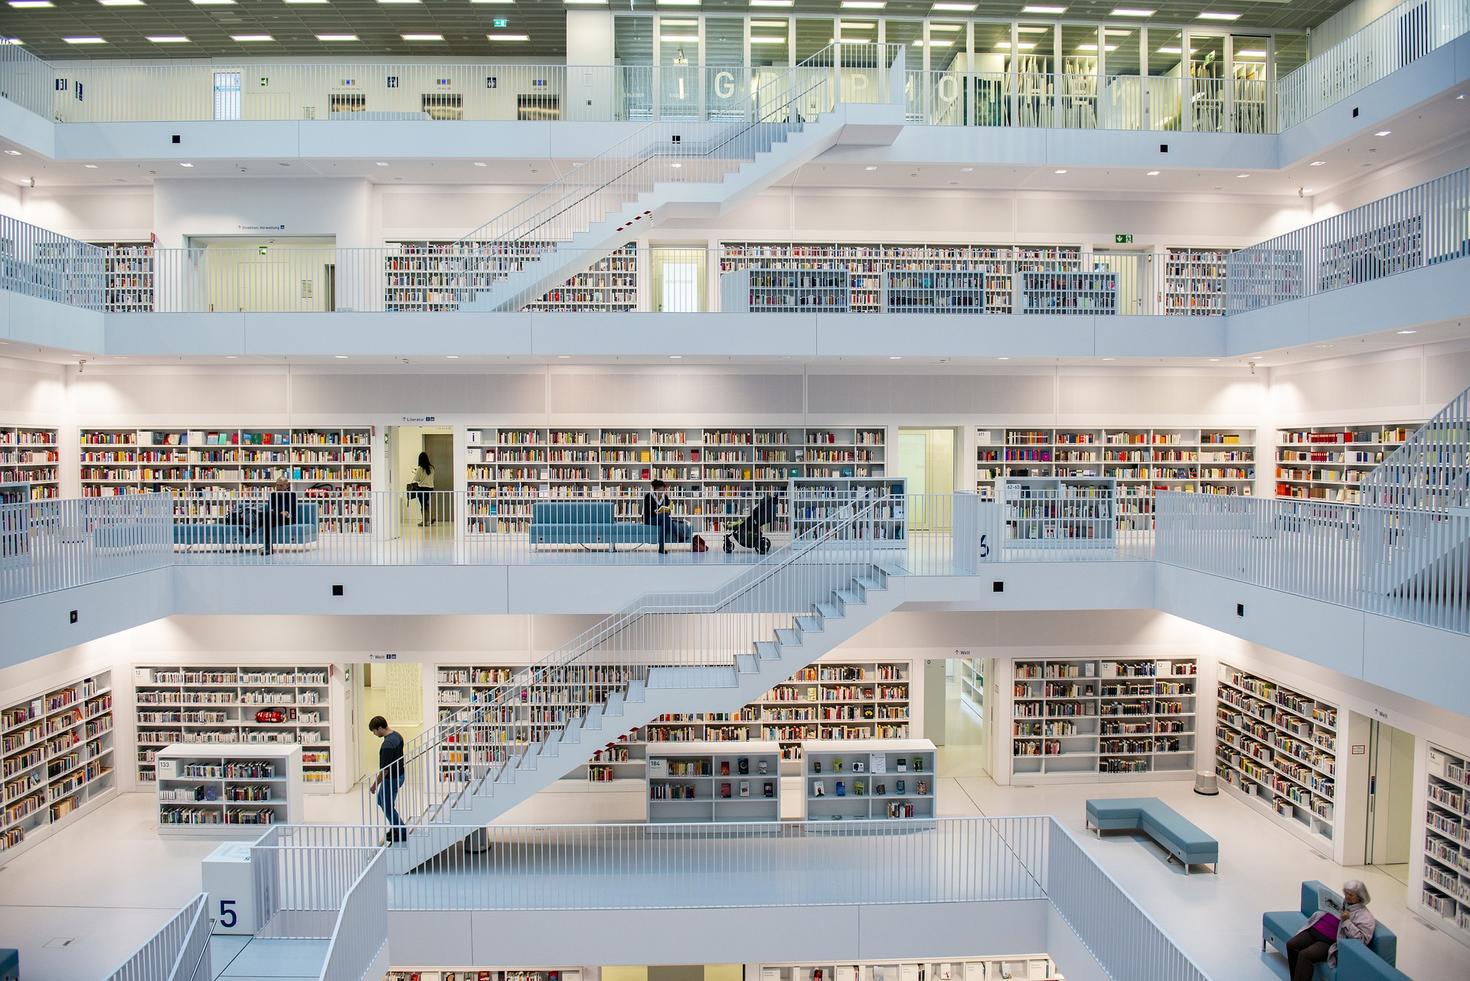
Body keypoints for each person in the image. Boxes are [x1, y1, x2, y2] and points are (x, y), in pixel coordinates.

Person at [1286, 880, 1376, 981]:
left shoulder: (1365, 917)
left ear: (1360, 897)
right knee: (1291, 944)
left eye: (1351, 895)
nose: (1346, 897)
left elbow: (1362, 940)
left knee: (1305, 955)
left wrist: (1347, 921)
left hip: (1328, 942)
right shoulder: (1343, 903)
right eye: (1345, 893)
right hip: (1314, 931)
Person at [369, 715, 407, 844]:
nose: (374, 734)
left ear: (379, 728)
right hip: (399, 775)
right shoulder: (397, 736)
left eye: (374, 731)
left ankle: (400, 831)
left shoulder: (386, 745)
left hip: (391, 779)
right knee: (382, 800)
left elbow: (384, 770)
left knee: (387, 806)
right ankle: (395, 826)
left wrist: (375, 784)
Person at [642, 478, 692, 555]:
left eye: (662, 490)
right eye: (659, 490)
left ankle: (661, 547)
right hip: (650, 518)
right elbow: (647, 511)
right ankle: (678, 535)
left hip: (662, 518)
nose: (661, 492)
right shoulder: (648, 496)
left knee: (665, 518)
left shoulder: (665, 497)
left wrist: (669, 508)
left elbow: (667, 509)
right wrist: (656, 512)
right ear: (655, 489)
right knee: (666, 518)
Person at [262, 478, 297, 556]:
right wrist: (281, 511)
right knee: (268, 516)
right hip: (275, 517)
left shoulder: (292, 495)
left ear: (286, 485)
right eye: (277, 485)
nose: (278, 487)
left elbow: (292, 508)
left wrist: (286, 512)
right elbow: (271, 507)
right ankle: (268, 546)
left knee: (267, 517)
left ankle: (267, 546)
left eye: (281, 485)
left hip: (288, 518)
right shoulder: (273, 495)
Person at [409, 451, 435, 526]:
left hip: (422, 489)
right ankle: (430, 517)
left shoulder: (420, 469)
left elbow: (417, 479)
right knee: (425, 503)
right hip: (430, 489)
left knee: (423, 505)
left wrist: (415, 472)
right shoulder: (432, 468)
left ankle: (424, 521)